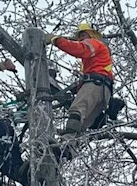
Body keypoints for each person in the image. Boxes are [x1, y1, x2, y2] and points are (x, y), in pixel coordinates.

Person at [43, 22, 114, 157]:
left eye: (83, 35)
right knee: (81, 126)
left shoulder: (95, 43)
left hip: (96, 85)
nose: (81, 39)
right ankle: (69, 149)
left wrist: (56, 40)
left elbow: (80, 49)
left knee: (77, 109)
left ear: (91, 34)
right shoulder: (99, 57)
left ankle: (65, 143)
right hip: (104, 92)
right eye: (79, 36)